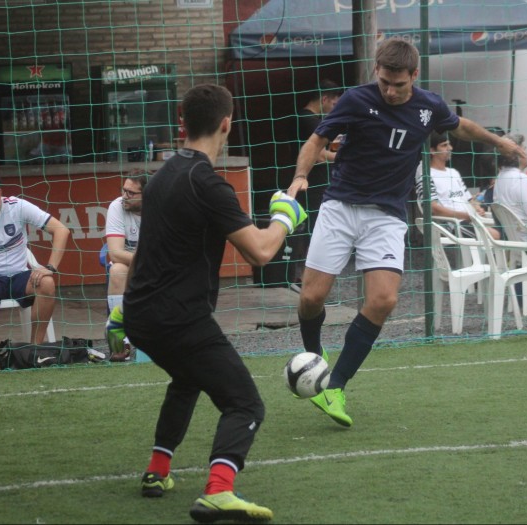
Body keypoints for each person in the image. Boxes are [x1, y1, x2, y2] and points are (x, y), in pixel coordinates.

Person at [287, 37, 525, 427]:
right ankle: (316, 359)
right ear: (377, 73)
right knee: (311, 297)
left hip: (386, 215)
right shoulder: (354, 99)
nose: (390, 90)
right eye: (384, 82)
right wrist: (300, 176)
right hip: (341, 206)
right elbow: (317, 140)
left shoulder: (428, 106)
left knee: (383, 300)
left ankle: (336, 387)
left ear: (414, 75)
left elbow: (459, 125)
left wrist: (500, 141)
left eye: (399, 84)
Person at [110, 83, 307, 524]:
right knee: (246, 404)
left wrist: (124, 308)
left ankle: (158, 472)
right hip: (177, 319)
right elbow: (259, 251)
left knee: (186, 378)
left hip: (141, 313)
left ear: (182, 124)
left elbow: (148, 250)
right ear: (226, 124)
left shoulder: (161, 176)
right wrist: (284, 217)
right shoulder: (208, 183)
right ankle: (219, 491)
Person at [0, 171, 70, 372]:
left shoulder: (17, 206)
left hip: (19, 275)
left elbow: (61, 230)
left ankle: (34, 352)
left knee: (47, 283)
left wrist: (49, 268)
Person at [289, 79, 343, 292]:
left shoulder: (304, 119)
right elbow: (319, 155)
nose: (334, 108)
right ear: (324, 98)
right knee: (310, 229)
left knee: (306, 228)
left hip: (310, 183)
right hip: (311, 184)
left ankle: (301, 278)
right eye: (334, 103)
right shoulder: (309, 121)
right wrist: (343, 156)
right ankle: (303, 279)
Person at [414, 130, 499, 239]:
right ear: (432, 150)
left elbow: (468, 199)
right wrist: (466, 216)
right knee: (497, 236)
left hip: (471, 220)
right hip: (452, 225)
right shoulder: (425, 173)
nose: (450, 148)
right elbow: (432, 208)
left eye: (449, 144)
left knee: (505, 231)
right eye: (444, 145)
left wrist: (476, 207)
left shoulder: (453, 173)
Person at [104, 169, 151, 313]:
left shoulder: (161, 207)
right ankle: (118, 330)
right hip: (130, 264)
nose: (124, 196)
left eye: (130, 193)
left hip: (157, 266)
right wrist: (147, 262)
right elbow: (115, 254)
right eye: (124, 190)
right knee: (117, 271)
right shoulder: (117, 206)